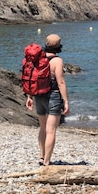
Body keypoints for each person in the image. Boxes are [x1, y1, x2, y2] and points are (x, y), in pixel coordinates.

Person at [25, 33, 70, 166]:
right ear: (58, 46)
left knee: (43, 128)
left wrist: (29, 96)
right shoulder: (57, 61)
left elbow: (32, 78)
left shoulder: (38, 58)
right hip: (53, 96)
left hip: (38, 95)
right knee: (51, 131)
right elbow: (60, 82)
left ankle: (41, 156)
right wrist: (66, 101)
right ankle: (46, 162)